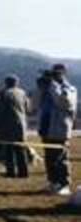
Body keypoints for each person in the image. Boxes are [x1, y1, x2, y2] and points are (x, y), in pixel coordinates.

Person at [37, 64, 77, 195]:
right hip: (47, 127)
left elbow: (64, 102)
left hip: (60, 128)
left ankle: (64, 183)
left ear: (63, 74)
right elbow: (35, 103)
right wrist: (42, 87)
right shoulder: (49, 87)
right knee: (49, 158)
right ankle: (53, 182)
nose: (54, 76)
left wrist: (54, 85)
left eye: (57, 74)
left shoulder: (70, 89)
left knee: (61, 157)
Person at [0, 75, 29, 178]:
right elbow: (27, 108)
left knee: (9, 149)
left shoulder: (5, 93)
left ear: (6, 83)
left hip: (8, 124)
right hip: (21, 124)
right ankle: (24, 172)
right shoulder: (22, 93)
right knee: (20, 149)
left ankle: (11, 172)